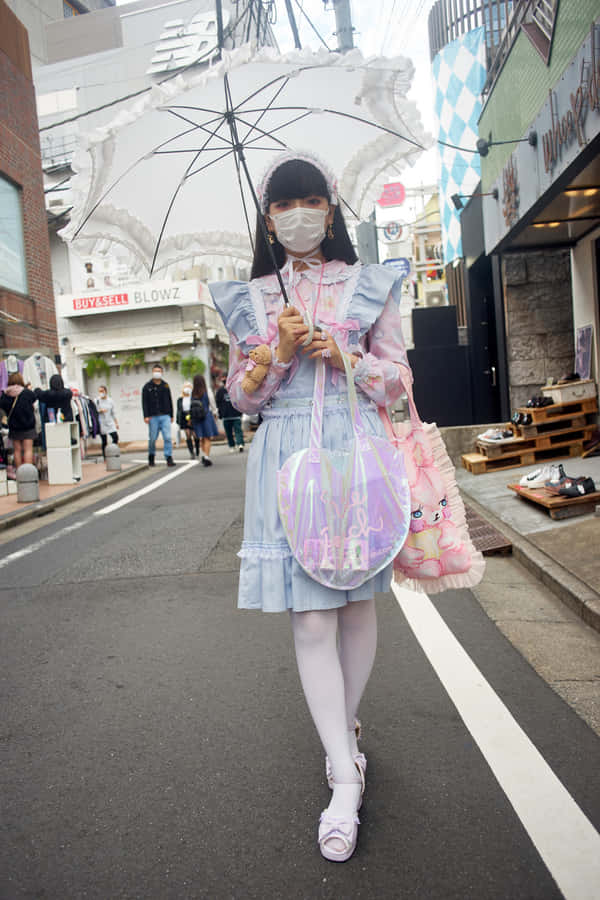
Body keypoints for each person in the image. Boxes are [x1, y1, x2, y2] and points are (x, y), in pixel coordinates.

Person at [210, 153, 412, 863]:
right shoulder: (252, 299)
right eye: (283, 205)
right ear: (267, 219)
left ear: (331, 208)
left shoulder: (368, 284)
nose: (298, 214)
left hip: (355, 452)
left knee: (357, 606)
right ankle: (343, 781)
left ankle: (343, 736)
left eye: (312, 201)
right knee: (309, 619)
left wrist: (347, 359)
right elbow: (240, 397)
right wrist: (277, 354)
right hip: (288, 456)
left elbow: (398, 381)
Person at [0, 373, 37, 467]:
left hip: (14, 427)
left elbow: (2, 405)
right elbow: (34, 398)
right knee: (28, 450)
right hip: (28, 426)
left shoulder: (5, 394)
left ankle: (19, 474)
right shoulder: (26, 393)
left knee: (17, 450)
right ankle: (27, 474)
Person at [141, 364, 175, 467]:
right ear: (152, 372)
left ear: (162, 372)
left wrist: (171, 415)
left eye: (159, 371)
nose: (157, 373)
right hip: (153, 416)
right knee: (152, 438)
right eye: (155, 371)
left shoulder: (165, 385)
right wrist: (146, 415)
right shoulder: (147, 387)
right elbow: (144, 402)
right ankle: (151, 456)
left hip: (165, 415)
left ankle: (168, 457)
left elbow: (170, 400)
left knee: (168, 437)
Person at [189, 374, 218, 467]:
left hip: (196, 417)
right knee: (208, 437)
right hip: (206, 415)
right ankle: (206, 456)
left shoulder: (192, 392)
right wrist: (215, 413)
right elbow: (212, 402)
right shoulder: (207, 390)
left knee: (201, 437)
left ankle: (204, 454)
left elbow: (189, 406)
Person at [216, 376, 244, 453]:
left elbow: (240, 399)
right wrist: (220, 414)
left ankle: (240, 444)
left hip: (236, 414)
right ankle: (232, 445)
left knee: (238, 430)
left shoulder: (235, 388)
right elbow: (218, 403)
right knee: (228, 432)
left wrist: (241, 410)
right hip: (226, 416)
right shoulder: (220, 391)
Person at [96, 385, 119, 458]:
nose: (101, 393)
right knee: (104, 441)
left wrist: (116, 423)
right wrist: (100, 411)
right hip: (101, 422)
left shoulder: (110, 401)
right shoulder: (97, 400)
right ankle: (105, 457)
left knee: (115, 437)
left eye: (102, 391)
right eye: (99, 391)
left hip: (110, 422)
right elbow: (94, 411)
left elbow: (113, 413)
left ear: (106, 391)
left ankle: (113, 451)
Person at [176, 381, 196, 459]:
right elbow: (179, 410)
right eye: (185, 387)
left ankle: (197, 448)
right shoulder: (180, 399)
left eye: (189, 387)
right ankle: (191, 452)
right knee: (188, 435)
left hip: (193, 416)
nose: (187, 389)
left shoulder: (194, 398)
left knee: (195, 435)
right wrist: (178, 420)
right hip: (184, 418)